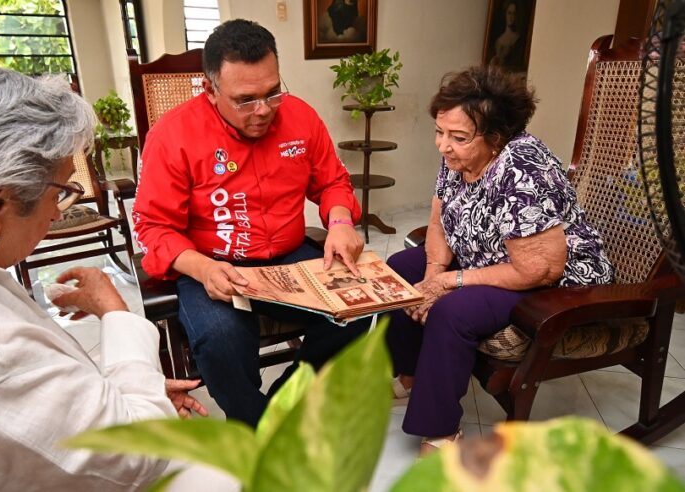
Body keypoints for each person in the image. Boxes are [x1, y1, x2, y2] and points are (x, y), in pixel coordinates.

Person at [0, 63, 210, 491]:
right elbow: (137, 455)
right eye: (58, 191)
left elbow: (35, 412)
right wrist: (116, 313)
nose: (59, 210)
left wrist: (123, 393)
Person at [132, 19, 371, 428]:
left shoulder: (299, 117)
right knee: (222, 342)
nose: (263, 110)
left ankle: (279, 410)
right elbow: (153, 227)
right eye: (245, 99)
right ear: (210, 90)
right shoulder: (173, 135)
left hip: (287, 255)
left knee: (360, 312)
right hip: (214, 261)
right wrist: (203, 268)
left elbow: (332, 181)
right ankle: (253, 428)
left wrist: (340, 221)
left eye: (272, 93)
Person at [385, 66, 614, 456]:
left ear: (496, 137)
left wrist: (447, 285)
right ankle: (412, 375)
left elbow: (538, 268)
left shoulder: (522, 167)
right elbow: (439, 218)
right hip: (489, 257)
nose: (443, 146)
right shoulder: (458, 155)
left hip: (556, 283)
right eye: (439, 132)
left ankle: (440, 429)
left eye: (457, 137)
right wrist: (431, 275)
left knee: (453, 310)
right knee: (401, 269)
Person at [489, 0, 526, 71]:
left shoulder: (518, 38)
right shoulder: (499, 41)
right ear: (505, 14)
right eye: (509, 13)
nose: (511, 17)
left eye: (514, 13)